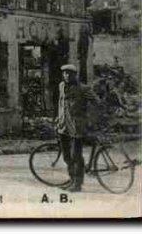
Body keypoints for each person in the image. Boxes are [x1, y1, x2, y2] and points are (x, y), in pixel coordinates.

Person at [55, 64, 97, 192]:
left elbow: (96, 103)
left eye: (69, 73)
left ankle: (77, 183)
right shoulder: (61, 86)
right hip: (63, 126)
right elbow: (61, 103)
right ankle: (72, 179)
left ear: (75, 75)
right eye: (65, 73)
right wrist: (58, 117)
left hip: (77, 127)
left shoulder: (83, 88)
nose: (66, 76)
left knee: (76, 156)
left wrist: (88, 119)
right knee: (67, 156)